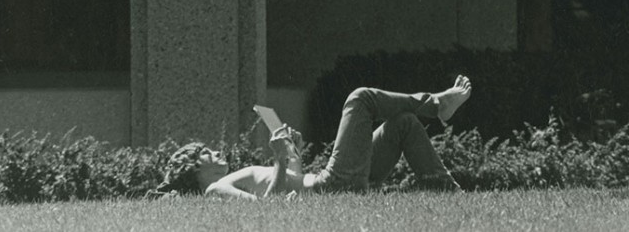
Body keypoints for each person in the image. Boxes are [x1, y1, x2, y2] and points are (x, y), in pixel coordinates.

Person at [155, 75, 472, 200]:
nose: (215, 152)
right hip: (332, 185)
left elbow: (290, 182)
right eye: (206, 155)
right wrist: (279, 160)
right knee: (360, 99)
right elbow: (269, 209)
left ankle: (442, 188)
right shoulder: (214, 189)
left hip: (328, 182)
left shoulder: (228, 180)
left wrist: (293, 154)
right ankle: (436, 104)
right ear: (195, 170)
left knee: (402, 122)